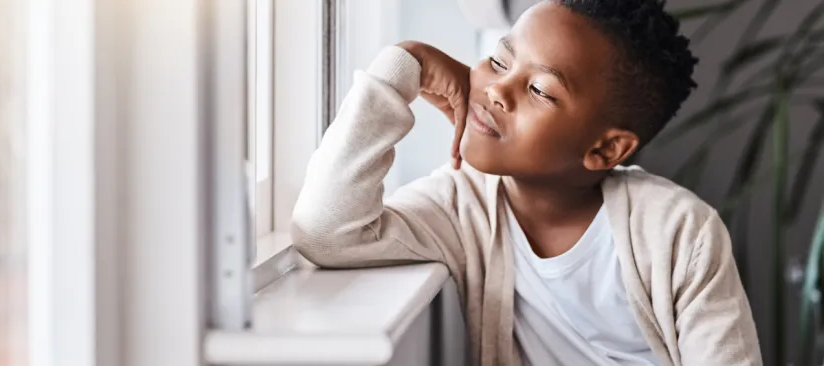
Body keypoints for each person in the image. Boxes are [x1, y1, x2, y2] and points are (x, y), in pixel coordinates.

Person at [291, 0, 762, 365]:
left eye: (539, 90)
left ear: (604, 150)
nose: (497, 89)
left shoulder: (681, 232)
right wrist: (402, 66)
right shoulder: (462, 205)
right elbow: (326, 231)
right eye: (498, 61)